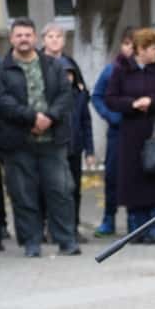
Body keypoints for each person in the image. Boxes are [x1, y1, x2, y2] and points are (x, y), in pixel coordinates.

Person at [0, 17, 79, 257]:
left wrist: (49, 117)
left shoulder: (53, 65)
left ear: (35, 37)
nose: (23, 39)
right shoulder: (2, 68)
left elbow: (65, 95)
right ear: (12, 38)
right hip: (18, 142)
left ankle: (66, 240)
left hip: (52, 141)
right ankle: (31, 243)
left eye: (27, 35)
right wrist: (32, 118)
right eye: (19, 35)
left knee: (61, 192)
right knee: (23, 195)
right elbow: (3, 101)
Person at [105, 27, 155, 243]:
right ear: (141, 49)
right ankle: (137, 229)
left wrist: (152, 102)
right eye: (154, 48)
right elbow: (111, 99)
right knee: (134, 182)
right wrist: (132, 104)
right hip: (131, 134)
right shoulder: (121, 70)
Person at [91, 28, 135, 236]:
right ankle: (109, 217)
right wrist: (110, 115)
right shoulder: (111, 70)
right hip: (117, 132)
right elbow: (97, 96)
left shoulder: (146, 70)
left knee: (135, 176)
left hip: (139, 131)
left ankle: (134, 218)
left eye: (134, 45)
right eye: (127, 44)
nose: (130, 49)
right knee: (112, 176)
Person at [62, 56, 95, 242]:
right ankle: (55, 227)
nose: (67, 78)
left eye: (70, 74)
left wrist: (90, 151)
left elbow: (86, 123)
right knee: (57, 190)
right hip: (56, 150)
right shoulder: (52, 97)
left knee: (75, 190)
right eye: (63, 74)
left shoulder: (80, 96)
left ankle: (73, 227)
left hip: (75, 149)